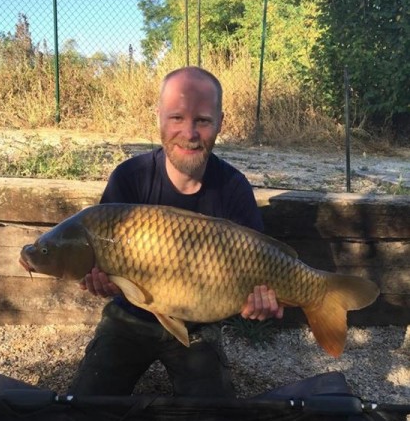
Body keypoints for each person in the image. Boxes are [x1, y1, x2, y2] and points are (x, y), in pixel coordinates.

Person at [69, 66, 283, 398]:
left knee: (211, 420)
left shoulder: (232, 188)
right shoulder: (131, 178)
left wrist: (261, 303)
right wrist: (102, 283)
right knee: (87, 404)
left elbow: (261, 271)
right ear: (159, 119)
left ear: (220, 123)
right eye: (176, 118)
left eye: (202, 120)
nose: (189, 133)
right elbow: (103, 264)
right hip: (130, 318)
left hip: (198, 325)